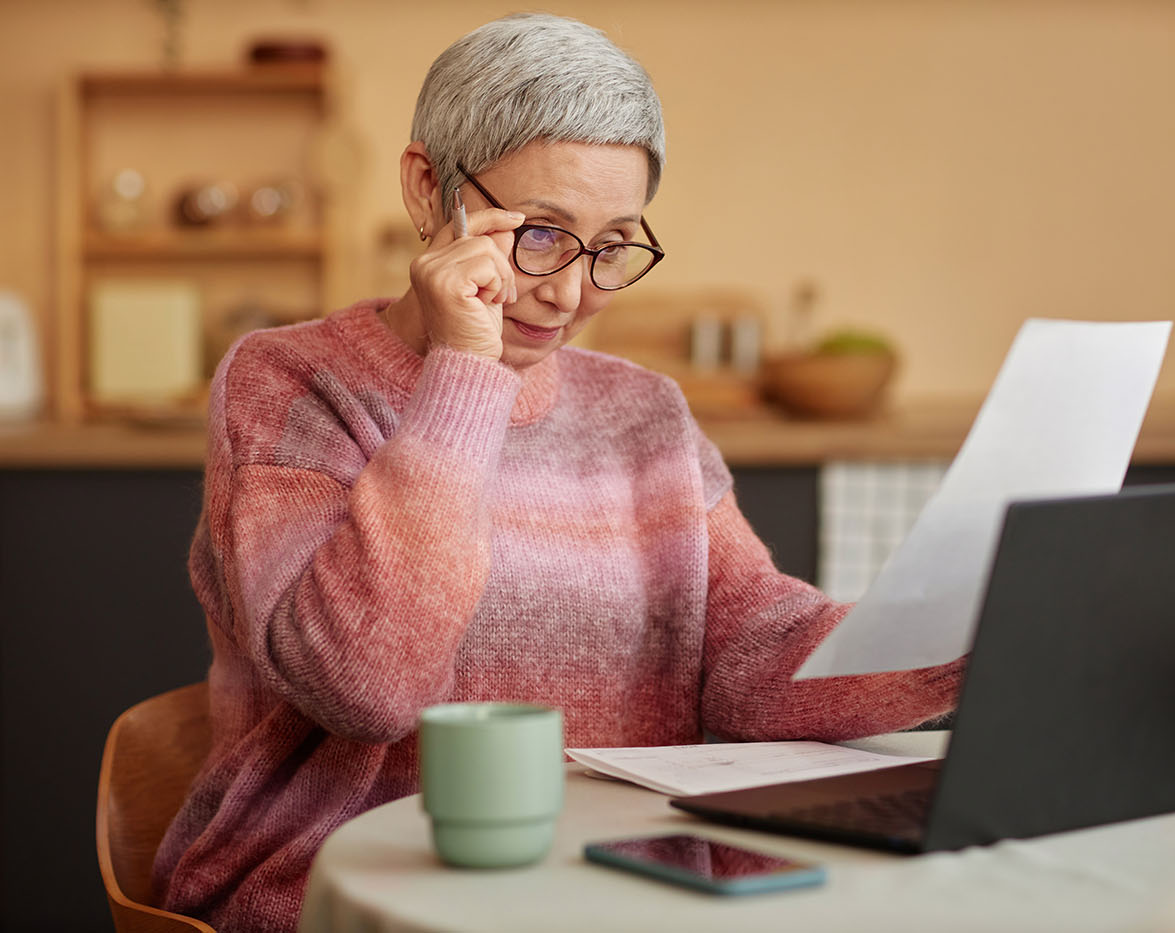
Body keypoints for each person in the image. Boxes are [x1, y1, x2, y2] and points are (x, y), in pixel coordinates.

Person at [152, 13, 965, 932]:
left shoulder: (644, 410)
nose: (573, 292)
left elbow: (752, 654)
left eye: (614, 246)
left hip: (626, 890)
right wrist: (467, 369)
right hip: (344, 892)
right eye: (539, 234)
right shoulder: (287, 382)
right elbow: (365, 685)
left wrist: (977, 632)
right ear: (429, 190)